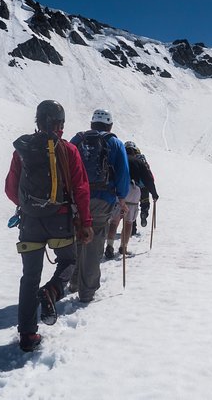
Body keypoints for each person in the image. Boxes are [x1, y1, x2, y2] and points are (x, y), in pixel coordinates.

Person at [5, 100, 94, 352]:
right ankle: (53, 291)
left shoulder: (22, 150)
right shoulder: (67, 150)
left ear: (37, 121)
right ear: (60, 125)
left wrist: (31, 207)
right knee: (69, 261)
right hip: (60, 221)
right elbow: (81, 189)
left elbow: (11, 190)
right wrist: (85, 222)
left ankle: (27, 335)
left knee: (29, 277)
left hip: (30, 223)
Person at [69, 108, 130, 302]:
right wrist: (122, 198)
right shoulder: (115, 143)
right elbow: (122, 174)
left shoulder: (77, 140)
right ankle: (87, 292)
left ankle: (73, 281)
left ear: (91, 124)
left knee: (77, 239)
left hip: (75, 200)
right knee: (94, 244)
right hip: (102, 200)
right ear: (110, 125)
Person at [107, 141, 159, 255]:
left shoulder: (118, 160)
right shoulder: (139, 161)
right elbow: (148, 179)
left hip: (118, 191)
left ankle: (109, 245)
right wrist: (154, 194)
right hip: (133, 190)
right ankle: (123, 247)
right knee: (129, 221)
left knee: (114, 221)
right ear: (135, 151)